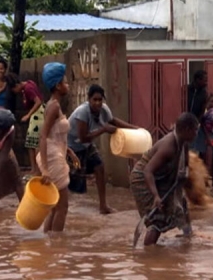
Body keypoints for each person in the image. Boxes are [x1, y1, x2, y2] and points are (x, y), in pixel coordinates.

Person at [130, 112, 199, 246]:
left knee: (182, 204)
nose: (196, 134)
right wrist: (156, 196)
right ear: (186, 130)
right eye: (195, 130)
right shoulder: (168, 147)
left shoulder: (183, 142)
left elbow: (185, 164)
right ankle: (149, 254)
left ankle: (187, 237)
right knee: (157, 217)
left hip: (162, 177)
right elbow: (148, 171)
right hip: (143, 179)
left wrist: (184, 174)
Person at [66, 84, 138, 214]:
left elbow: (114, 121)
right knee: (66, 179)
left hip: (87, 146)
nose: (98, 103)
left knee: (99, 167)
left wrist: (134, 128)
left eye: (100, 100)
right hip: (71, 147)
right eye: (95, 100)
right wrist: (103, 129)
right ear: (89, 99)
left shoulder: (104, 109)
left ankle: (103, 206)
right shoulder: (82, 112)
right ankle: (56, 204)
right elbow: (83, 138)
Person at [36, 62, 80, 233]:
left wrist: (69, 151)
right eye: (66, 81)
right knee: (62, 206)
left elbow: (55, 134)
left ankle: (49, 246)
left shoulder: (54, 104)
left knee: (55, 207)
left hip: (56, 155)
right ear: (57, 85)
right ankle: (57, 247)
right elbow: (43, 136)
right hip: (52, 158)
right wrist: (46, 169)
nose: (68, 84)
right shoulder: (54, 106)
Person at [6, 73, 45, 176]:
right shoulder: (28, 84)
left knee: (35, 143)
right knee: (30, 143)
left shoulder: (28, 88)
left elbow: (38, 102)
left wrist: (28, 115)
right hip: (37, 115)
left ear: (16, 86)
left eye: (13, 90)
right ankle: (34, 169)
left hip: (38, 115)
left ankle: (38, 169)